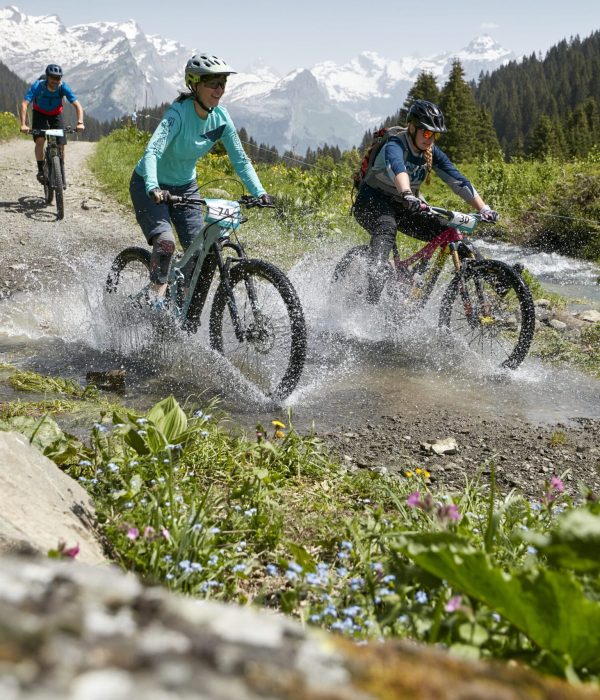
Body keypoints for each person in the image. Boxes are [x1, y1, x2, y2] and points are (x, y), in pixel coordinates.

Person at [130, 53, 272, 304]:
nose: (219, 89)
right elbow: (152, 151)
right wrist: (153, 187)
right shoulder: (178, 115)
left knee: (200, 250)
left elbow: (240, 159)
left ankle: (179, 304)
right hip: (149, 185)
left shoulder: (221, 118)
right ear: (194, 85)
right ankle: (153, 304)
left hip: (185, 186)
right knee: (165, 243)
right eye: (212, 83)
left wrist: (259, 192)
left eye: (223, 83)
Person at [353, 99, 499, 302]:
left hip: (404, 204)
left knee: (451, 231)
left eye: (434, 134)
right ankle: (374, 280)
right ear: (412, 127)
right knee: (386, 226)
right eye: (427, 132)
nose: (430, 139)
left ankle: (496, 280)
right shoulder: (395, 143)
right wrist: (406, 193)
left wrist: (484, 208)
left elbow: (457, 180)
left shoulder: (431, 152)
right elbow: (397, 167)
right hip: (371, 200)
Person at [20, 64, 85, 186]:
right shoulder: (38, 86)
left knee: (61, 143)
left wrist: (80, 122)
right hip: (39, 113)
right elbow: (24, 104)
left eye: (58, 78)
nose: (55, 81)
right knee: (40, 140)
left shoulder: (63, 87)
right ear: (47, 77)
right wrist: (23, 124)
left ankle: (60, 171)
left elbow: (77, 105)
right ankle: (40, 170)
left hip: (56, 114)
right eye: (53, 78)